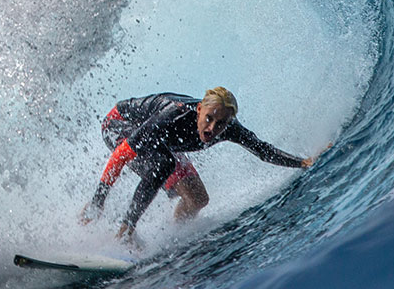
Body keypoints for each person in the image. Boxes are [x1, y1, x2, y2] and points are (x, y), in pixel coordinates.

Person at [79, 87, 322, 248]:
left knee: (197, 199)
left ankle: (172, 237)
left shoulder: (229, 128)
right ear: (198, 110)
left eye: (221, 123)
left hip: (161, 142)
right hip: (118, 125)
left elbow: (262, 150)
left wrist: (302, 162)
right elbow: (121, 156)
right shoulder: (172, 116)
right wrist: (98, 200)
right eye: (209, 119)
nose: (213, 129)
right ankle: (125, 231)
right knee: (164, 163)